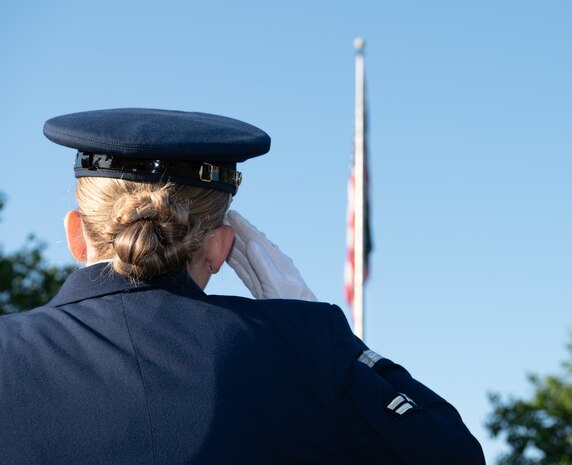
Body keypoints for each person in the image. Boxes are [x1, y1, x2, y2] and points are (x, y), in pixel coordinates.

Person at [0, 108, 485, 465]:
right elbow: (453, 455)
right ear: (221, 247)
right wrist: (316, 328)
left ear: (74, 234)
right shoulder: (303, 348)